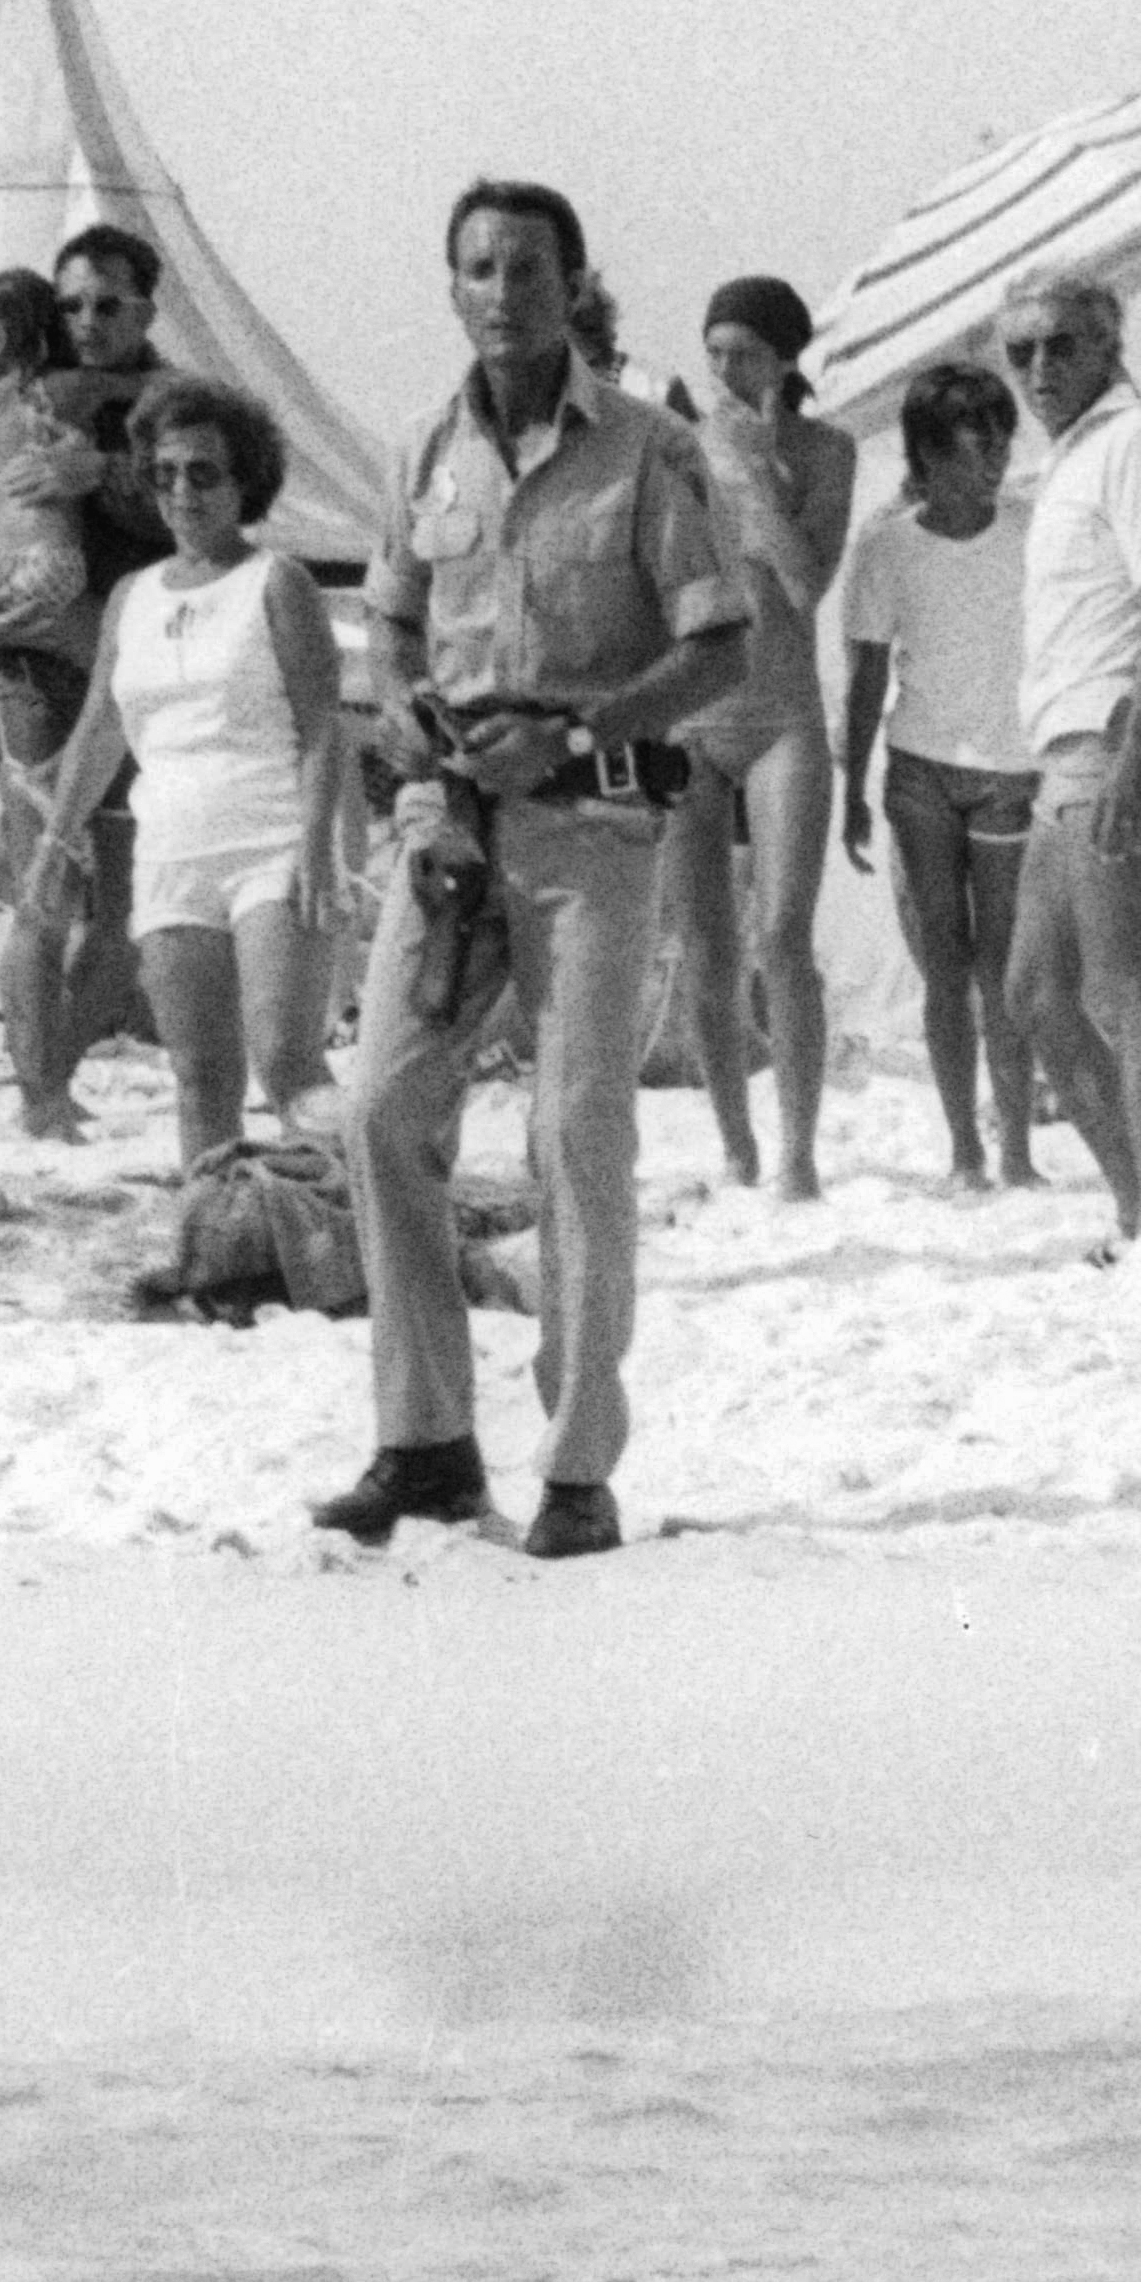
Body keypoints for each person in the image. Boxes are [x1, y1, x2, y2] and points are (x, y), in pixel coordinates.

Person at [312, 180, 745, 1560]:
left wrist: (573, 728)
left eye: (527, 267)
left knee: (575, 1135)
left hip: (589, 833)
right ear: (450, 286)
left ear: (572, 283)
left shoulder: (646, 451)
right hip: (447, 836)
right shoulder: (421, 451)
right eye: (478, 267)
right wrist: (406, 732)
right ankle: (427, 1443)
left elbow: (715, 643)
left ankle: (573, 1470)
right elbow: (384, 627)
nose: (502, 291)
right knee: (380, 1111)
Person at [22, 375, 344, 1173]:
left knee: (285, 1061)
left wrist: (314, 840)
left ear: (245, 482)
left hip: (269, 843)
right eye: (164, 473)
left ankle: (359, 1222)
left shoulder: (277, 583)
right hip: (170, 854)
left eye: (204, 472)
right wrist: (53, 838)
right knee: (199, 1074)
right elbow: (101, 726)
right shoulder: (131, 595)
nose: (181, 491)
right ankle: (216, 1241)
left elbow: (322, 728)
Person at [0, 240, 174, 1130]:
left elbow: (224, 501)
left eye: (107, 304)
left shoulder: (170, 409)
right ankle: (41, 1090)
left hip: (142, 677)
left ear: (145, 308)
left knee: (122, 916)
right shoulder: (20, 409)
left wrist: (107, 473)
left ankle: (49, 1072)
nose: (86, 323)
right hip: (38, 675)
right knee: (42, 896)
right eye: (70, 305)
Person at [1002, 270, 1141, 1242]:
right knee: (1035, 997)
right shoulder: (1070, 458)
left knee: (1125, 996)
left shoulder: (1133, 442)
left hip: (1110, 738)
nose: (1039, 367)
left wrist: (1132, 758)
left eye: (1060, 345)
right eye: (1020, 351)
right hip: (1064, 750)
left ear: (1106, 346)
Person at [662, 275, 858, 1184]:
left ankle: (799, 1149)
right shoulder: (674, 446)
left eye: (742, 352)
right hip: (693, 712)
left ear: (783, 358)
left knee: (782, 934)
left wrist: (750, 472)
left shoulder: (827, 449)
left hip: (782, 709)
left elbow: (805, 585)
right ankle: (736, 1142)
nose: (725, 370)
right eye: (713, 353)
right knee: (704, 942)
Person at [834, 356, 1043, 1191]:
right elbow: (864, 677)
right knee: (943, 970)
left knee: (1004, 969)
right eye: (970, 441)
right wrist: (850, 792)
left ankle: (1019, 1146)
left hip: (1008, 767)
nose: (991, 455)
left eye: (999, 438)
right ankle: (965, 1150)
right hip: (918, 769)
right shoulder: (885, 546)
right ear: (926, 451)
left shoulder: (1032, 527)